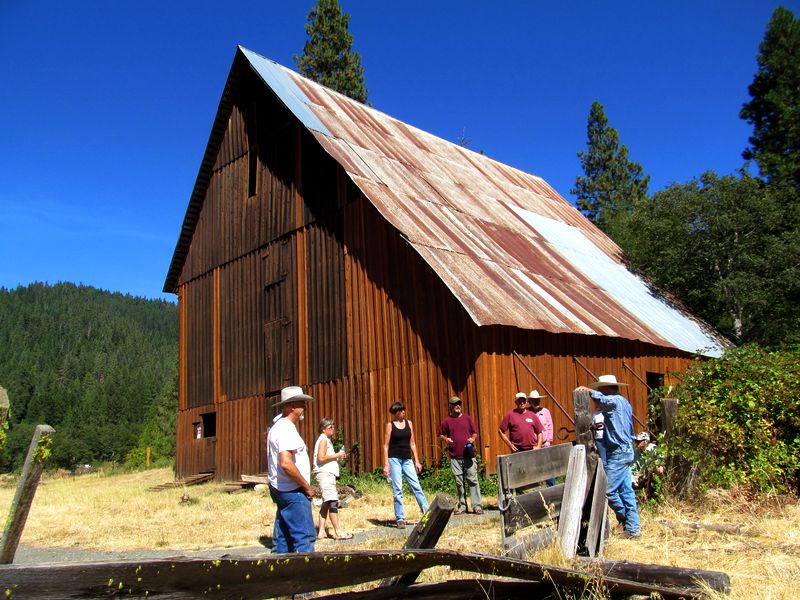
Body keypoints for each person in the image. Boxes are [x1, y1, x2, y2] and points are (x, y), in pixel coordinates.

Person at [578, 375, 641, 539]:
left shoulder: (613, 400)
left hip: (618, 452)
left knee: (607, 490)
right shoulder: (624, 402)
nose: (599, 391)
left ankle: (626, 519)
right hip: (626, 450)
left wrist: (590, 391)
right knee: (626, 491)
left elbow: (605, 402)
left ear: (605, 388)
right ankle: (633, 528)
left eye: (600, 388)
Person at [267, 385, 317, 552]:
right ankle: (306, 574)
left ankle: (280, 572)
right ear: (292, 406)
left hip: (280, 488)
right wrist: (306, 486)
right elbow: (286, 463)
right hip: (293, 490)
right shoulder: (286, 428)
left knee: (283, 538)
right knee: (305, 537)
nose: (304, 408)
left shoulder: (277, 426)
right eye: (302, 404)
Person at [383, 401, 429, 529]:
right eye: (401, 410)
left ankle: (427, 512)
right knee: (398, 489)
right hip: (394, 459)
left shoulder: (409, 424)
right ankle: (400, 518)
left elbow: (412, 443)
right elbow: (386, 446)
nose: (404, 412)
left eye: (404, 410)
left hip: (407, 459)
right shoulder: (390, 425)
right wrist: (386, 464)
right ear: (396, 413)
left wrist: (417, 460)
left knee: (416, 485)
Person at [438, 396, 482, 515]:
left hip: (469, 455)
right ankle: (463, 506)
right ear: (450, 406)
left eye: (459, 404)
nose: (458, 406)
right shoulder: (447, 421)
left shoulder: (467, 419)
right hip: (455, 456)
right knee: (459, 482)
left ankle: (476, 506)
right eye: (455, 404)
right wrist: (446, 439)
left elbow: (475, 433)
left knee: (472, 480)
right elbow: (441, 434)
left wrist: (472, 439)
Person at [313, 418, 352, 540]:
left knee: (326, 503)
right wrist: (337, 455)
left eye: (333, 427)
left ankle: (321, 532)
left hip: (326, 473)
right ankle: (338, 532)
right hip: (325, 474)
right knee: (333, 502)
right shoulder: (323, 440)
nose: (333, 429)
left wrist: (336, 457)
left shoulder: (325, 440)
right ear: (323, 429)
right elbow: (321, 458)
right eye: (330, 427)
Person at [529, 390, 556, 486]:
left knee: (549, 466)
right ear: (530, 401)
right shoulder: (527, 413)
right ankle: (536, 487)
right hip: (533, 445)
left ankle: (551, 487)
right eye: (534, 400)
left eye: (538, 400)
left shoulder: (545, 412)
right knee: (533, 467)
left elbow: (550, 426)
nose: (536, 402)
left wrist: (549, 441)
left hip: (545, 444)